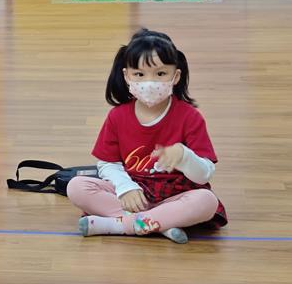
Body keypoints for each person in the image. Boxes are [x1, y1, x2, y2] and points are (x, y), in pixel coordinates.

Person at [68, 29, 227, 244]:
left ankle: (120, 225)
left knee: (206, 201)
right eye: (139, 75)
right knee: (76, 187)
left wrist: (184, 157)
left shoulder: (190, 117)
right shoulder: (117, 116)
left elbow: (204, 175)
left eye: (160, 74)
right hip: (134, 195)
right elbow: (108, 163)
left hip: (176, 195)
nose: (149, 83)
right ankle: (160, 224)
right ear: (127, 76)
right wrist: (126, 188)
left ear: (175, 76)